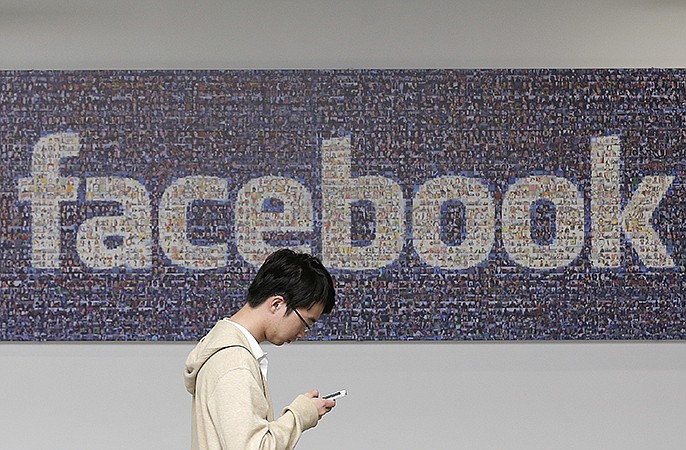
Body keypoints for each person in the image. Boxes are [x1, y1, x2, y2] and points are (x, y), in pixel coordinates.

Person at [184, 248, 337, 450]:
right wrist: (300, 415)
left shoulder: (225, 352)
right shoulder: (234, 363)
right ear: (276, 304)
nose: (302, 334)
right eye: (306, 322)